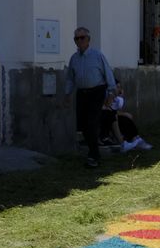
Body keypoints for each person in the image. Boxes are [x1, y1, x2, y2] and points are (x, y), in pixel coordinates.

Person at [64, 27, 116, 168]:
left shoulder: (97, 55)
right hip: (82, 93)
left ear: (88, 39)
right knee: (83, 126)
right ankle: (94, 152)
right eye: (76, 38)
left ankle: (94, 156)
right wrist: (67, 94)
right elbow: (70, 78)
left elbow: (108, 73)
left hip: (97, 92)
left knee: (91, 123)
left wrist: (111, 93)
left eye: (82, 38)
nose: (79, 41)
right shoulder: (74, 59)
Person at [101, 86, 151, 152]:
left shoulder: (118, 98)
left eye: (120, 87)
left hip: (112, 115)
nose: (120, 90)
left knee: (126, 119)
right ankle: (122, 143)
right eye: (117, 87)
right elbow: (107, 107)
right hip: (105, 116)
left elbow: (116, 109)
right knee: (116, 116)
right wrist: (111, 96)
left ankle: (135, 139)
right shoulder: (107, 94)